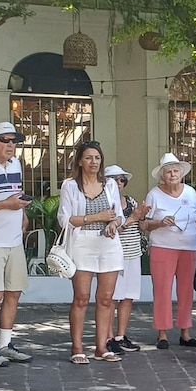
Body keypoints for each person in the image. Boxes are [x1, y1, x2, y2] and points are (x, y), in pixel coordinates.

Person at [58, 141, 126, 364]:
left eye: (97, 158)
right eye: (88, 158)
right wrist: (97, 218)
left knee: (106, 298)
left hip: (108, 244)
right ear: (80, 161)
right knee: (82, 297)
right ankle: (77, 347)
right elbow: (65, 219)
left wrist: (113, 223)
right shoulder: (70, 185)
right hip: (82, 243)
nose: (93, 162)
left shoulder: (110, 185)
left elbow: (118, 215)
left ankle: (101, 347)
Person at [143, 153, 196, 350]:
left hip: (189, 246)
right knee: (162, 289)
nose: (172, 175)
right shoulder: (154, 194)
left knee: (186, 290)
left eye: (175, 171)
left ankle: (185, 332)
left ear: (182, 173)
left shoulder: (190, 192)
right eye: (168, 171)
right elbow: (143, 224)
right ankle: (162, 333)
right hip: (163, 246)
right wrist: (160, 223)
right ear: (162, 175)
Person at [0, 122, 33, 367]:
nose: (11, 145)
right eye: (5, 140)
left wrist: (22, 214)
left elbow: (16, 193)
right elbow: (5, 201)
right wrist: (6, 205)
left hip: (14, 239)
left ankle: (5, 344)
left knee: (14, 293)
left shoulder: (16, 164)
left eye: (14, 141)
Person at [105, 165, 149, 354]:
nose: (119, 183)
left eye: (122, 179)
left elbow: (141, 227)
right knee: (111, 298)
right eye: (114, 179)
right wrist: (131, 218)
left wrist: (142, 217)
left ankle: (121, 336)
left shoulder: (130, 201)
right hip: (114, 255)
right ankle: (108, 337)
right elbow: (111, 231)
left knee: (128, 296)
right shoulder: (105, 204)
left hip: (133, 253)